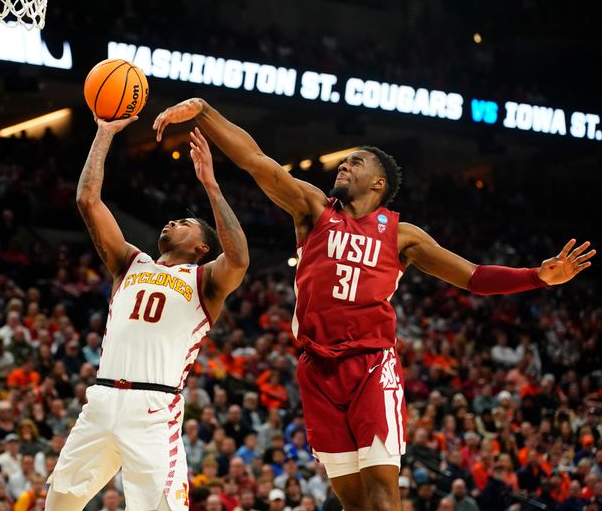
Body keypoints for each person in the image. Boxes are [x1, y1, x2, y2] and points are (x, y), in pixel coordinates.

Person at [153, 98, 596, 511]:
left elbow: (472, 277)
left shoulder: (403, 235)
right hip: (315, 366)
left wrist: (537, 277)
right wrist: (204, 112)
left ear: (378, 183)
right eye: (344, 161)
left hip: (370, 364)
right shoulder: (313, 209)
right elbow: (256, 161)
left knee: (383, 490)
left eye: (355, 162)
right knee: (353, 500)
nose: (343, 165)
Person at [45, 115, 248, 511]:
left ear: (201, 247)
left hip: (154, 409)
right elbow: (87, 200)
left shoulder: (204, 280)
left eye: (185, 222)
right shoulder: (129, 263)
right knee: (59, 504)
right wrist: (104, 133)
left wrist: (210, 184)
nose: (172, 221)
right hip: (102, 400)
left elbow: (239, 257)